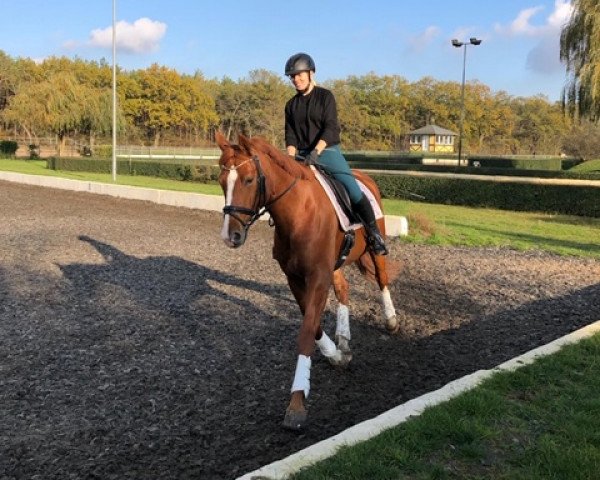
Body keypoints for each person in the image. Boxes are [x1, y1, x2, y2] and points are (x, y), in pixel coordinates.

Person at [283, 52, 388, 255]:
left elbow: (331, 128)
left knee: (353, 189)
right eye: (292, 76)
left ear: (311, 73)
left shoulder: (325, 97)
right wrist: (289, 158)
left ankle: (375, 235)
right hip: (301, 155)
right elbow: (290, 135)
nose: (296, 79)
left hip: (327, 151)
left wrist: (316, 151)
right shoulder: (290, 105)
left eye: (299, 75)